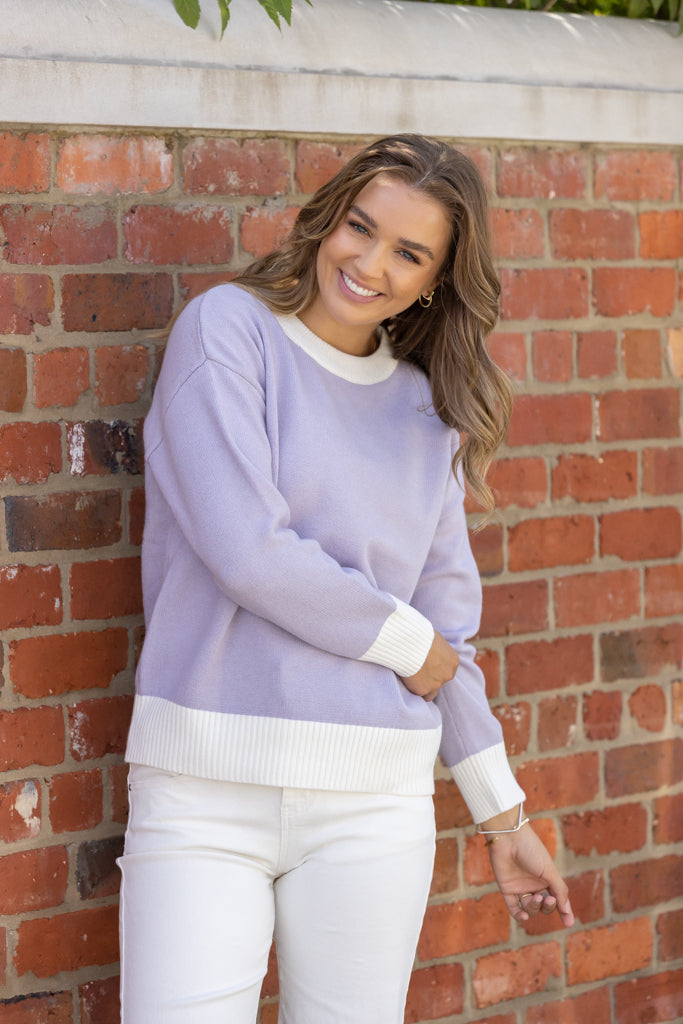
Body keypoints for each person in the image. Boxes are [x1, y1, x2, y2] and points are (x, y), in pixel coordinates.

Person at [118, 133, 574, 1024]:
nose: (368, 264)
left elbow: (450, 639)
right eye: (360, 228)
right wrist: (404, 643)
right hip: (204, 785)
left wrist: (503, 817)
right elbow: (247, 550)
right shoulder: (227, 331)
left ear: (435, 280)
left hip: (374, 801)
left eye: (407, 253)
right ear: (328, 220)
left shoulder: (425, 411)